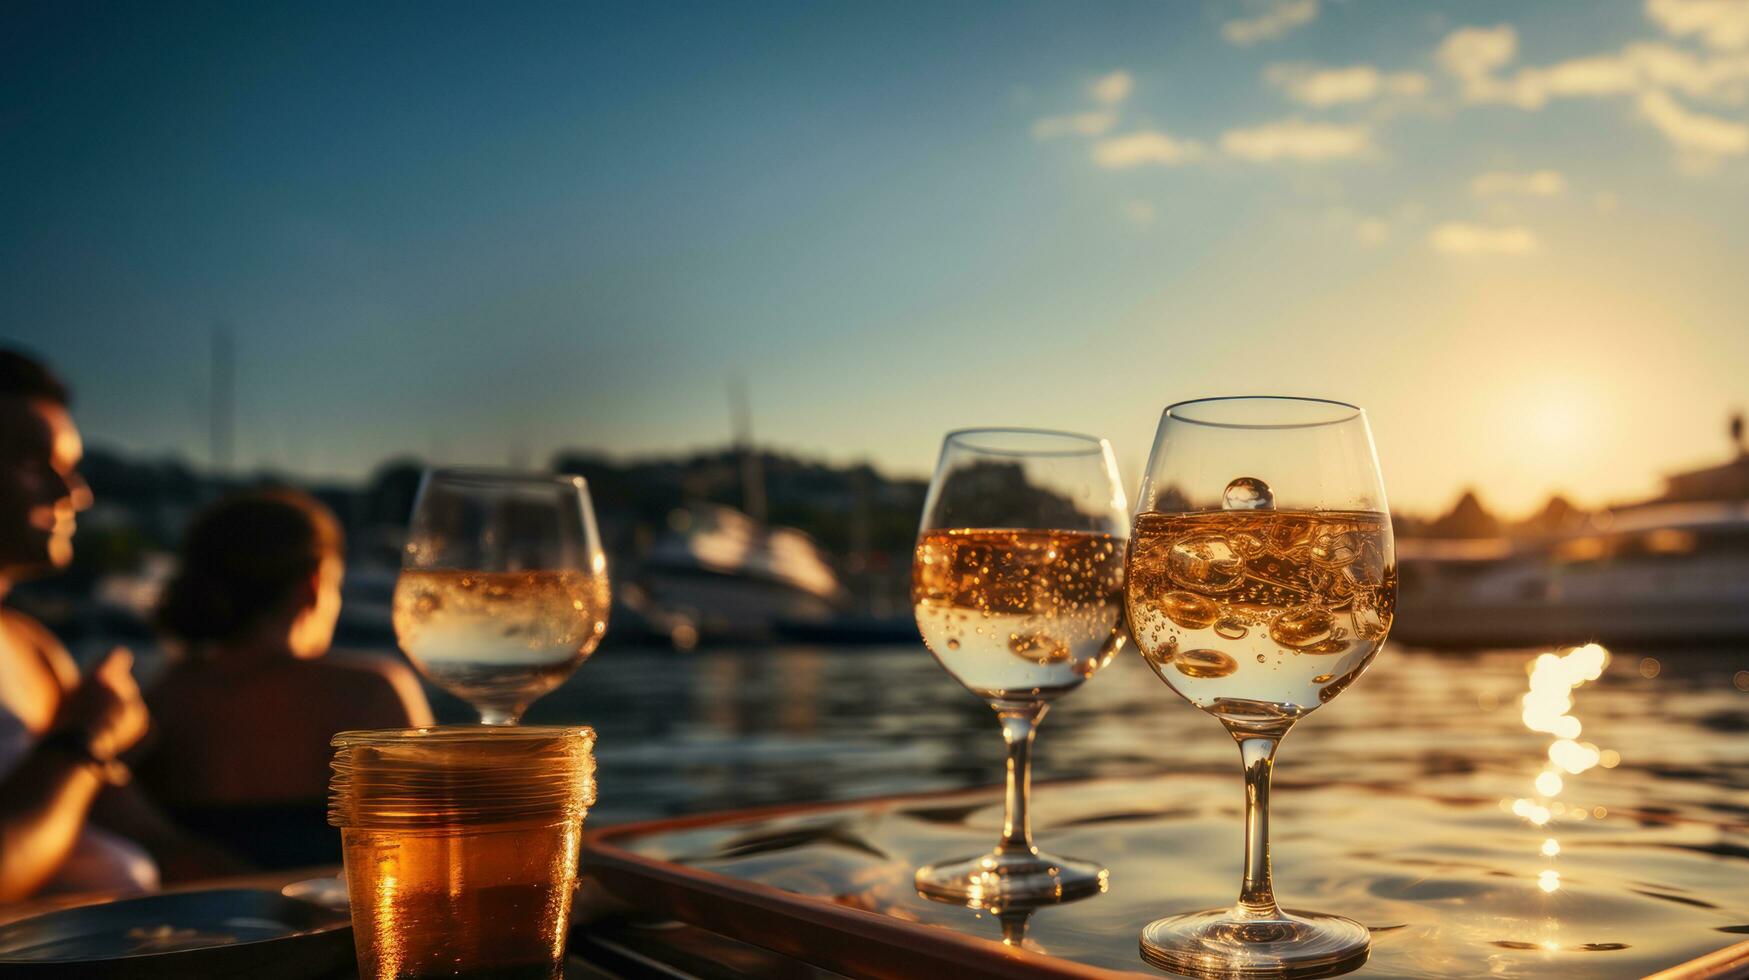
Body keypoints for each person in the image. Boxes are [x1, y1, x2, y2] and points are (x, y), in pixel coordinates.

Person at [139, 488, 433, 868]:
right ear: (314, 583)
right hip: (333, 925)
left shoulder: (159, 698)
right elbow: (429, 847)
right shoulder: (368, 694)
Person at [0, 348, 199, 902]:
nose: (74, 494)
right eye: (32, 463)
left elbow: (161, 844)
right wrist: (84, 741)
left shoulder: (34, 650)